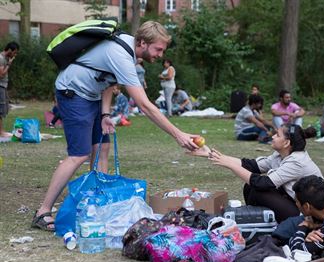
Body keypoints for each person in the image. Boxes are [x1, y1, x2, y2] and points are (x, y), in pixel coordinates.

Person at [31, 21, 200, 231]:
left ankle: (98, 202)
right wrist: (178, 134)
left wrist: (104, 114)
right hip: (72, 93)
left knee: (103, 147)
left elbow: (109, 83)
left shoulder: (128, 51)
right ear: (142, 42)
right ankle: (42, 212)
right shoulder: (120, 54)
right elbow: (145, 106)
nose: (159, 54)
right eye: (158, 49)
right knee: (79, 154)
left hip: (91, 96)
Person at [208, 124, 323, 223]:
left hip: (307, 214)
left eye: (277, 135)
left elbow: (263, 183)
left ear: (286, 143)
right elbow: (252, 165)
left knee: (258, 189)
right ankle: (255, 221)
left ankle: (258, 222)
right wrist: (212, 154)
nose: (272, 136)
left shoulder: (296, 161)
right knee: (250, 186)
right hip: (293, 202)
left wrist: (230, 164)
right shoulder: (280, 155)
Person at [0, 41, 20, 138]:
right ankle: (1, 132)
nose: (15, 55)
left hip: (3, 86)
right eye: (14, 52)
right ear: (9, 50)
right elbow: (1, 74)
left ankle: (1, 131)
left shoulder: (4, 58)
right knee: (0, 109)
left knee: (4, 108)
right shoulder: (1, 59)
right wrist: (9, 64)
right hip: (0, 86)